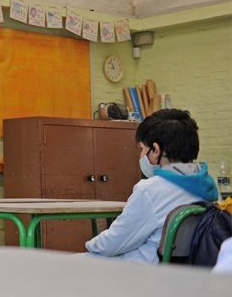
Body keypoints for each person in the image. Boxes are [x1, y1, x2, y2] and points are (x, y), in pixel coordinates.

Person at [85, 108, 219, 263]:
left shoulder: (150, 190)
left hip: (145, 274)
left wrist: (90, 244)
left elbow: (112, 244)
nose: (141, 156)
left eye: (142, 149)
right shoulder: (210, 186)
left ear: (156, 150)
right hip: (186, 273)